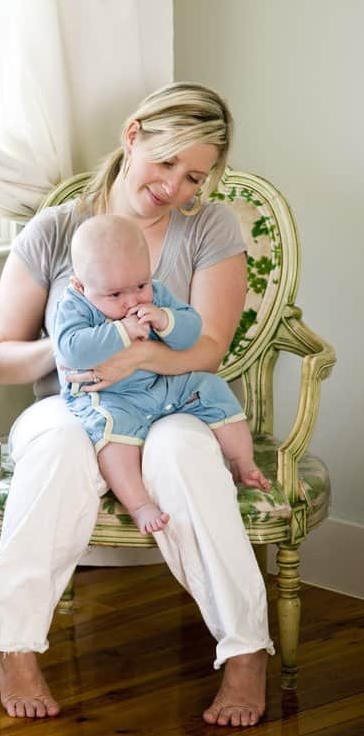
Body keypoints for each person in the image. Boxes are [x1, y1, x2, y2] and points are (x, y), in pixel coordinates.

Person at [0, 82, 274, 728]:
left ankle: (245, 651)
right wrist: (69, 353)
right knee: (55, 448)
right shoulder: (55, 232)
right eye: (165, 164)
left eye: (194, 176)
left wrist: (135, 357)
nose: (174, 187)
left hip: (173, 398)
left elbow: (207, 348)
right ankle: (14, 644)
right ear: (132, 136)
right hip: (71, 401)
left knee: (185, 455)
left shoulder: (207, 228)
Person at [54, 213, 270, 535]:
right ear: (80, 285)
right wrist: (121, 331)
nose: (132, 301)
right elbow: (71, 349)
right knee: (112, 436)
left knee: (211, 387)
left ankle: (242, 461)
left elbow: (193, 330)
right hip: (111, 397)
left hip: (162, 385)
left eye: (140, 285)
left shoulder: (155, 293)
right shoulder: (74, 305)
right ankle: (140, 505)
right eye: (115, 295)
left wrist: (167, 320)